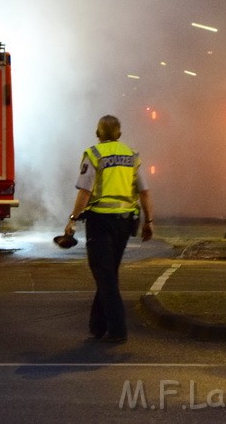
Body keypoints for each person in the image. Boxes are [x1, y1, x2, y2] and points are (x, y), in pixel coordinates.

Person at [64, 115, 155, 344]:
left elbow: (85, 191)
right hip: (125, 222)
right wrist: (149, 221)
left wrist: (73, 219)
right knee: (108, 273)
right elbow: (144, 191)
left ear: (98, 133)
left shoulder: (94, 154)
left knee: (104, 274)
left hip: (100, 221)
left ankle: (117, 329)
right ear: (119, 134)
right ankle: (97, 326)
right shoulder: (131, 156)